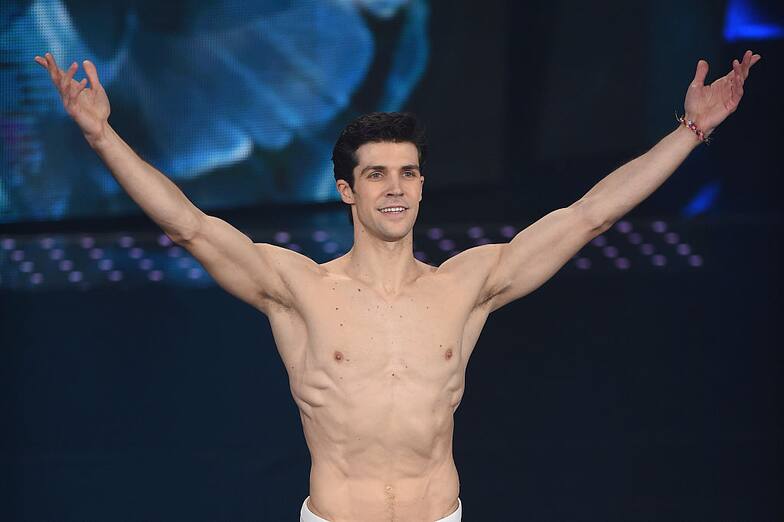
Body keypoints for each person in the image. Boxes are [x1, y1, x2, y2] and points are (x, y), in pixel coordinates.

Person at [34, 49, 760, 521]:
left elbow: (590, 216)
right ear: (347, 190)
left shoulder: (467, 284)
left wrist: (690, 133)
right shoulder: (296, 287)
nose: (396, 188)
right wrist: (100, 135)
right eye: (376, 174)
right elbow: (188, 225)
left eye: (408, 172)